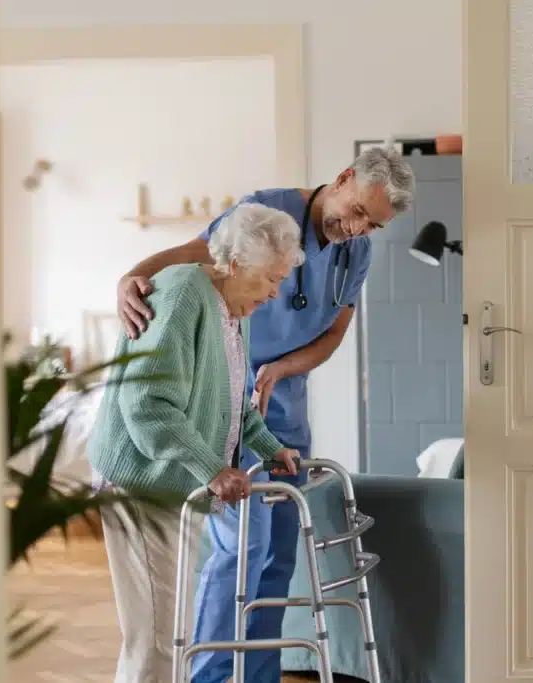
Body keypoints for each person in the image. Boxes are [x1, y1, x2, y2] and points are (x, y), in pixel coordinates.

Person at [116, 146, 416, 683]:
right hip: (224, 391)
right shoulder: (267, 213)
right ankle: (210, 674)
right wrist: (131, 277)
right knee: (241, 548)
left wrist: (282, 370)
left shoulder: (355, 254)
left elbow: (335, 334)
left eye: (373, 224)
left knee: (278, 550)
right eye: (357, 212)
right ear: (343, 178)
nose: (359, 228)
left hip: (278, 404)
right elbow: (196, 254)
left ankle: (255, 674)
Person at [88, 203, 306, 683]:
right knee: (158, 635)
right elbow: (146, 403)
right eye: (270, 278)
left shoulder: (233, 308)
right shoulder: (185, 293)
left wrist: (269, 446)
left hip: (172, 479)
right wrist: (211, 467)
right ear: (235, 263)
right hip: (140, 481)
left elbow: (232, 400)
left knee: (173, 626)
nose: (274, 293)